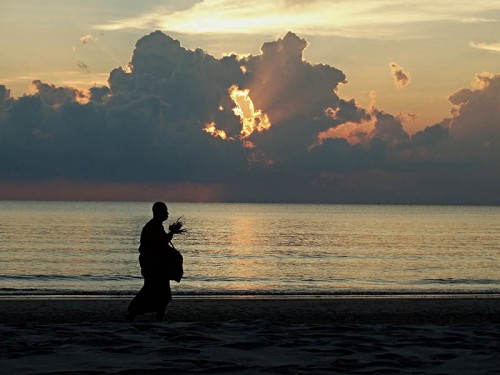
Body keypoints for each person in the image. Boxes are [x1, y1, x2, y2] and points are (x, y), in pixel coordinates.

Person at [126, 202, 184, 321]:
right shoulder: (153, 227)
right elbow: (158, 245)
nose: (167, 213)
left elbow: (161, 243)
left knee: (161, 293)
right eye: (165, 211)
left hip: (156, 265)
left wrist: (171, 234)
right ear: (158, 213)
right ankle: (133, 313)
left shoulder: (156, 226)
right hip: (153, 265)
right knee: (153, 292)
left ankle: (155, 318)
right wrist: (172, 233)